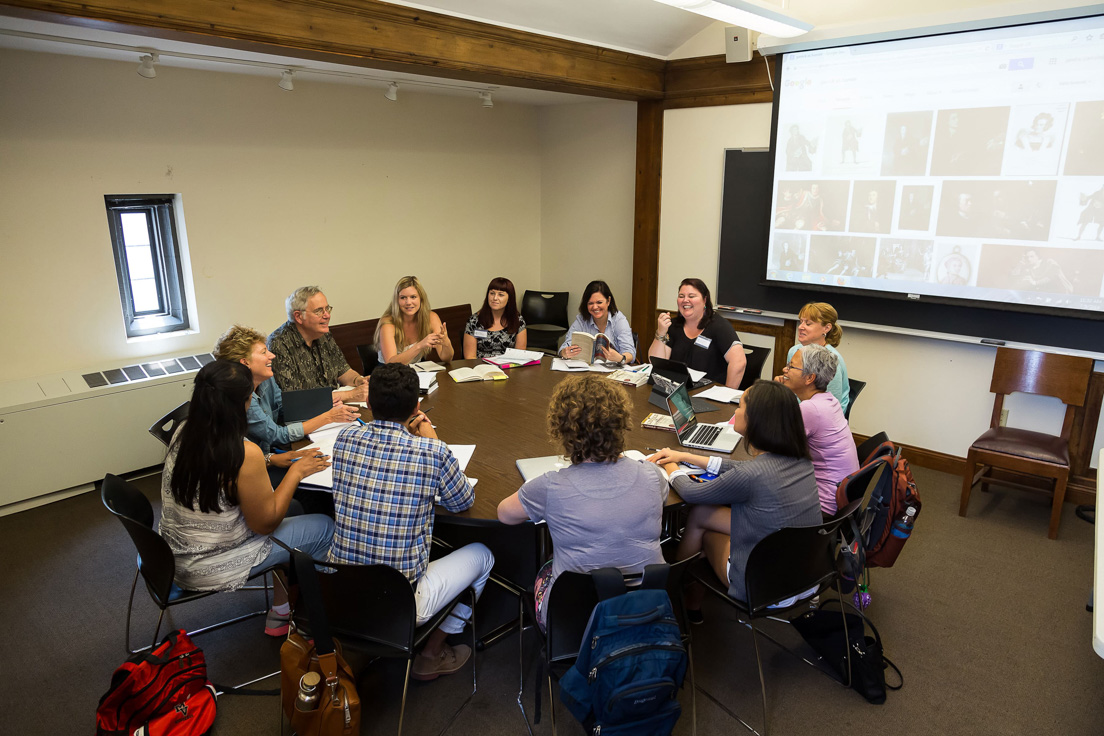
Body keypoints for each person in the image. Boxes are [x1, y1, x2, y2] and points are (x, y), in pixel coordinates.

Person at [329, 363, 493, 681]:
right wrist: (434, 439)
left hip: (339, 589)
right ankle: (431, 654)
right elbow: (462, 501)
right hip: (400, 601)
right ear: (417, 407)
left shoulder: (345, 438)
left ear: (368, 404)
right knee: (483, 554)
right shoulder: (430, 451)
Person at [159, 360, 333, 637]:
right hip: (210, 565)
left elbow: (223, 477)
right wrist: (296, 472)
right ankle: (320, 621)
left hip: (171, 557)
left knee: (297, 508)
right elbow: (265, 524)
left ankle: (281, 607)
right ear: (241, 403)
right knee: (325, 527)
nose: (252, 402)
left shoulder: (186, 430)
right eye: (251, 396)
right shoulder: (243, 452)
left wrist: (271, 459)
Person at [496, 375, 668, 631]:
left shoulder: (550, 486)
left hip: (573, 617)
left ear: (563, 429)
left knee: (547, 563)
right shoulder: (650, 475)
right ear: (620, 424)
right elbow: (659, 497)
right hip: (646, 610)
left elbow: (504, 514)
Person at [648, 380, 821, 616]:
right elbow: (741, 468)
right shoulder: (801, 460)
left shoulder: (751, 476)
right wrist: (688, 455)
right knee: (701, 515)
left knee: (704, 532)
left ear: (755, 420)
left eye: (739, 407)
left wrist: (672, 466)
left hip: (763, 588)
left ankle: (673, 591)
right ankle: (692, 603)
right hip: (805, 574)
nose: (735, 413)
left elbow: (691, 493)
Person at [214, 325, 360, 516]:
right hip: (255, 469)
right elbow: (276, 435)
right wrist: (327, 417)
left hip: (267, 457)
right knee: (313, 479)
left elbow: (285, 408)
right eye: (264, 352)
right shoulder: (240, 398)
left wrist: (326, 406)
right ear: (245, 363)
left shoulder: (265, 378)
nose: (272, 355)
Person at [777, 344, 859, 515]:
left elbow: (775, 450)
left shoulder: (811, 409)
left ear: (809, 378)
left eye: (791, 366)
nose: (785, 369)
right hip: (839, 497)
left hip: (822, 507)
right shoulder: (828, 400)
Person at [267, 286, 369, 402]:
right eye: (319, 311)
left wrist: (358, 380)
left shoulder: (323, 333)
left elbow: (343, 370)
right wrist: (351, 395)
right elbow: (296, 400)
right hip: (306, 415)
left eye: (327, 309)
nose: (327, 315)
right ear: (298, 316)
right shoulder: (278, 344)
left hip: (334, 407)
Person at [648, 278, 746, 388]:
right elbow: (656, 363)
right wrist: (661, 333)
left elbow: (739, 362)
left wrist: (727, 394)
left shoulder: (719, 326)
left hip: (710, 394)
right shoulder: (674, 325)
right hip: (679, 391)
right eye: (681, 296)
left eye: (691, 296)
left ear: (705, 300)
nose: (685, 300)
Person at [775, 302, 850, 413]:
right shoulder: (794, 351)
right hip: (798, 410)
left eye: (808, 324)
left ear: (827, 328)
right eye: (801, 322)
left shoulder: (832, 360)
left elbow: (832, 405)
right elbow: (793, 388)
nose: (800, 327)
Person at [375, 276, 455, 365]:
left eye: (413, 297)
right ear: (397, 300)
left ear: (421, 298)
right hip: (389, 373)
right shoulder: (388, 323)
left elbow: (446, 358)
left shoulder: (431, 317)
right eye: (403, 298)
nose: (408, 302)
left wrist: (446, 343)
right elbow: (391, 364)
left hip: (415, 371)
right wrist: (420, 345)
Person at [558, 280, 635, 363]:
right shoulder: (581, 319)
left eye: (599, 302)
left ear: (608, 301)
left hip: (614, 370)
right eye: (590, 303)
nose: (595, 307)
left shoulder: (619, 319)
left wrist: (620, 358)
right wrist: (564, 352)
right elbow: (565, 346)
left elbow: (630, 353)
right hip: (586, 370)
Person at [463, 277, 528, 358]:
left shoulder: (518, 321)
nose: (495, 298)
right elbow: (470, 358)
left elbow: (519, 356)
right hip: (481, 368)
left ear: (509, 298)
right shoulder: (474, 321)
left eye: (501, 295)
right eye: (492, 293)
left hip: (508, 367)